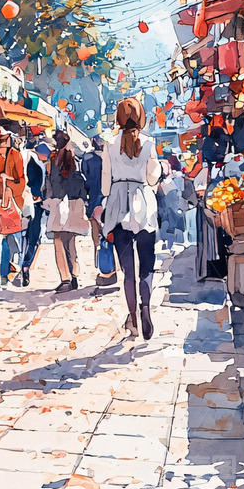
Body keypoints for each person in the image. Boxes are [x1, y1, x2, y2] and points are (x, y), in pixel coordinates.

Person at [101, 97, 162, 340]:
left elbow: (105, 185)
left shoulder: (109, 144)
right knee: (146, 268)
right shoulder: (148, 143)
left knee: (128, 272)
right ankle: (146, 308)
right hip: (144, 207)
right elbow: (153, 176)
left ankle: (133, 316)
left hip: (118, 208)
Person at [44, 130, 88, 294]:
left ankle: (65, 278)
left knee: (58, 241)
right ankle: (74, 274)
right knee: (70, 241)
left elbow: (54, 182)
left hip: (60, 201)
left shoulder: (56, 159)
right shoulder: (75, 157)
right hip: (75, 202)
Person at [0, 122, 26, 284]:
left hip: (10, 204)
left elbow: (21, 181)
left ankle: (5, 272)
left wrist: (6, 183)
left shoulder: (15, 155)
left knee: (10, 240)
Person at [83, 134, 117, 289]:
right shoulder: (112, 155)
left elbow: (86, 179)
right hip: (111, 198)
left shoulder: (88, 158)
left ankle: (106, 269)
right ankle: (109, 268)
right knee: (108, 235)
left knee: (99, 236)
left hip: (95, 199)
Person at [20, 137, 49, 286]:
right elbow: (34, 181)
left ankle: (23, 265)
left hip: (26, 201)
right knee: (32, 236)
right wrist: (36, 194)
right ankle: (25, 265)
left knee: (26, 236)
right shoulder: (34, 161)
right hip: (33, 202)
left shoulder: (26, 157)